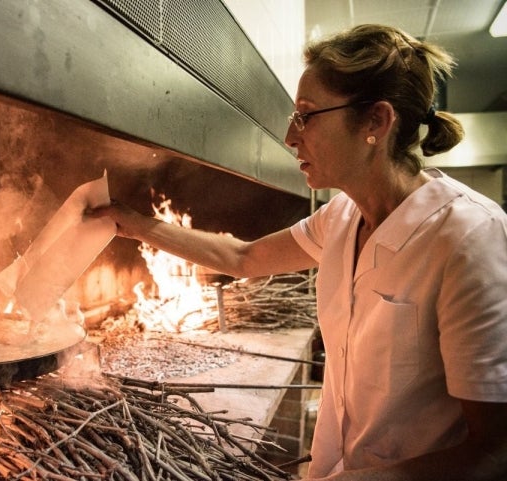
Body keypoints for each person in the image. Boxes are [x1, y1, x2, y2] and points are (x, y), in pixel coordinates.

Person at [89, 24, 507, 480]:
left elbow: (493, 452)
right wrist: (132, 223)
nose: (291, 136)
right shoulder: (342, 217)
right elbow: (242, 258)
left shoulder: (468, 238)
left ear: (376, 122)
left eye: (307, 115)